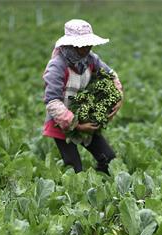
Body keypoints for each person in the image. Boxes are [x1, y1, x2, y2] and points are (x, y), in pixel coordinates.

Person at [42, 19, 123, 174]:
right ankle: (72, 194)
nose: (88, 47)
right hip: (62, 124)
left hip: (86, 118)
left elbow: (111, 76)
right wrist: (76, 124)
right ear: (72, 44)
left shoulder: (91, 59)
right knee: (74, 169)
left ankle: (100, 187)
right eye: (83, 45)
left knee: (109, 159)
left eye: (89, 43)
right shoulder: (57, 66)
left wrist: (118, 98)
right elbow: (52, 101)